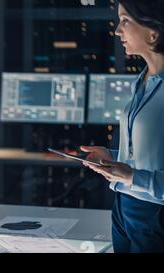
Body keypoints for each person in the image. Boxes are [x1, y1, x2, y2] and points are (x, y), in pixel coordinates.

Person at [81, 0, 164, 253]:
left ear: (154, 33)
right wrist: (112, 159)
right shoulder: (142, 81)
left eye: (125, 21)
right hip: (123, 206)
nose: (117, 31)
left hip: (153, 214)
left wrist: (130, 176)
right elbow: (147, 157)